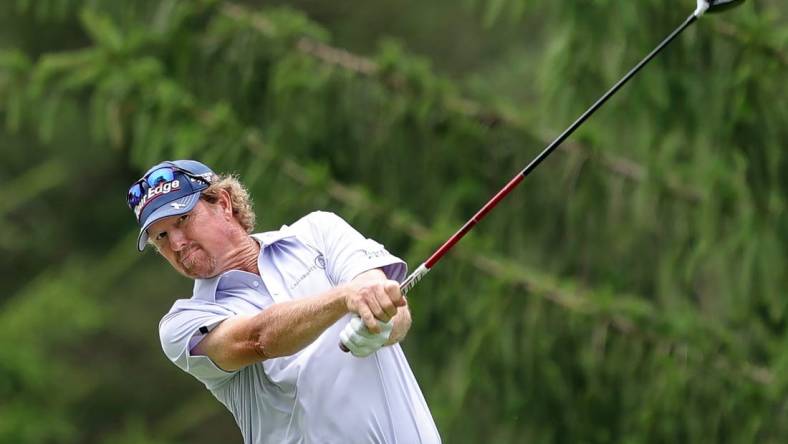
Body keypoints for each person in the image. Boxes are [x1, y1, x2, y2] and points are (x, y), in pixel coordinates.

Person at [126, 159, 441, 443]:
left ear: (222, 203)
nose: (176, 244)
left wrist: (381, 322)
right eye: (161, 237)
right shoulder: (184, 323)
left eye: (182, 220)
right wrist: (346, 297)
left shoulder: (318, 233)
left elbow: (389, 304)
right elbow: (257, 340)